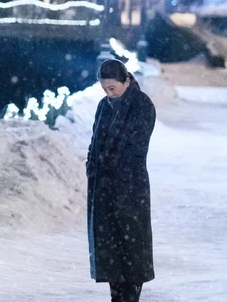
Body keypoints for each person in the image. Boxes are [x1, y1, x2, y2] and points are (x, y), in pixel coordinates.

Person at [86, 59, 156, 302]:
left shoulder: (142, 105)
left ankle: (130, 296)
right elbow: (95, 142)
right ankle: (117, 296)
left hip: (129, 188)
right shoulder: (103, 106)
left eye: (112, 88)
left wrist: (114, 173)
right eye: (104, 89)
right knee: (111, 250)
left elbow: (137, 147)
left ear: (126, 81)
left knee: (132, 249)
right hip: (103, 189)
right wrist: (92, 168)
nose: (109, 93)